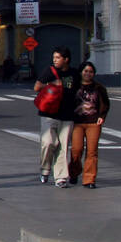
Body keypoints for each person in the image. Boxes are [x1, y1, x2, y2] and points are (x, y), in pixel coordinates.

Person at [34, 46, 77, 186]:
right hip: (49, 114)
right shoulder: (50, 71)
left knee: (63, 147)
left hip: (67, 114)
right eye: (54, 58)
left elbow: (79, 91)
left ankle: (61, 177)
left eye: (58, 58)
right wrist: (52, 83)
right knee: (48, 142)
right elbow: (36, 87)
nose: (55, 60)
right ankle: (45, 169)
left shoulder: (74, 74)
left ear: (66, 59)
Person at [69, 61, 110, 189]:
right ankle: (74, 173)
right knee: (77, 149)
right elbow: (67, 101)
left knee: (92, 151)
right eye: (85, 71)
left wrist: (101, 117)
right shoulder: (74, 86)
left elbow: (106, 103)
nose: (88, 74)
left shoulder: (99, 88)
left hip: (93, 123)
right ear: (81, 72)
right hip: (77, 123)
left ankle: (89, 179)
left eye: (91, 72)